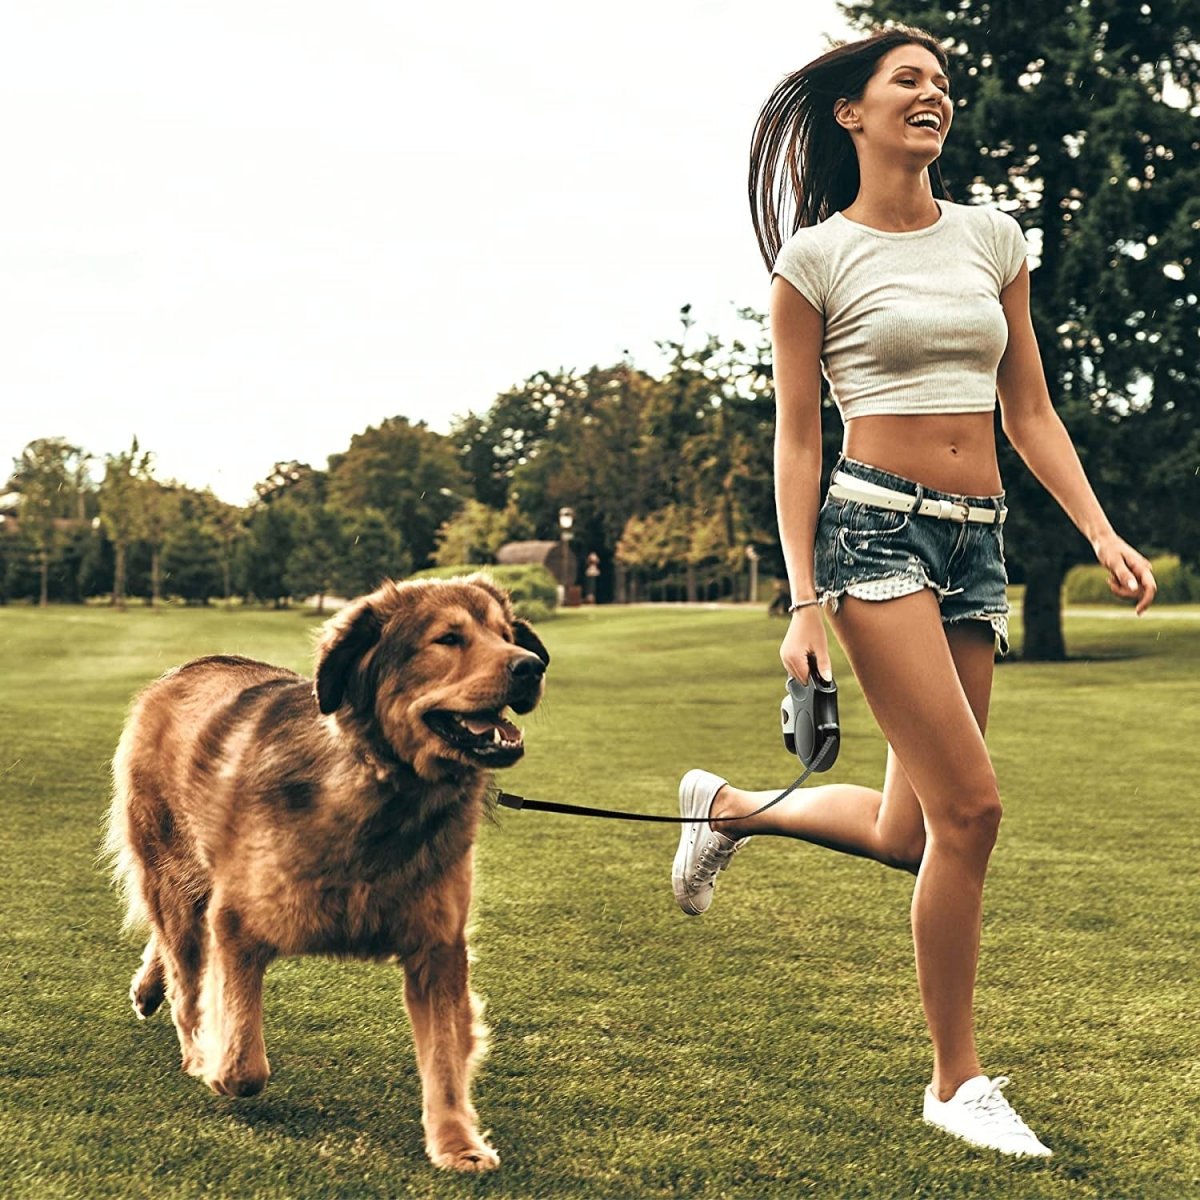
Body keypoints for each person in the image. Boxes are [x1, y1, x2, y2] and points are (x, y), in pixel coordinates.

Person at [671, 25, 1157, 1159]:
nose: (934, 93)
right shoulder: (816, 259)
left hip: (977, 543)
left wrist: (1097, 529)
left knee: (909, 831)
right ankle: (956, 1082)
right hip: (871, 531)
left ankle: (730, 809)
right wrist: (802, 601)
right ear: (854, 111)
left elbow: (1028, 409)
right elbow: (797, 441)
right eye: (910, 79)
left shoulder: (993, 239)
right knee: (973, 812)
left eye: (943, 82)